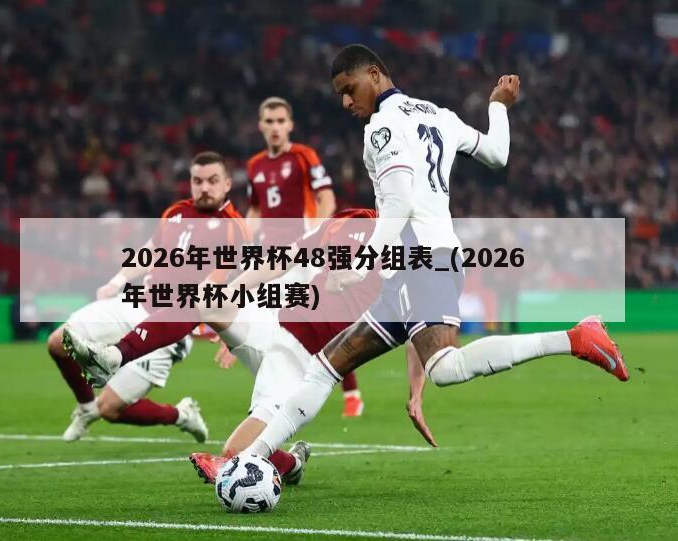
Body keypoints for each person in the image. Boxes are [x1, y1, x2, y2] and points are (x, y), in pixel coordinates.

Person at [237, 44, 630, 461]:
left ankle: (575, 338)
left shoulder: (382, 127)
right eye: (341, 95)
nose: (346, 102)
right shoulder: (439, 115)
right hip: (418, 264)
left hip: (419, 259)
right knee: (323, 367)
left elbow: (401, 201)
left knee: (444, 368)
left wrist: (361, 265)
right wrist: (498, 106)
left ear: (374, 74)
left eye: (349, 89)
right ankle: (251, 458)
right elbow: (497, 154)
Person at [63, 209, 417, 484]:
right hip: (274, 322)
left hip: (305, 361)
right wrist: (233, 291)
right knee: (204, 300)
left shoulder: (412, 250)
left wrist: (416, 392)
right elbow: (283, 258)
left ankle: (289, 464)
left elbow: (418, 327)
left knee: (234, 454)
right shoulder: (349, 219)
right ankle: (114, 356)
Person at [48, 151, 244, 442]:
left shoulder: (234, 227)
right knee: (58, 342)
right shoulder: (176, 212)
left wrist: (226, 331)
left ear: (227, 184)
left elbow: (218, 281)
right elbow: (151, 251)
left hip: (169, 327)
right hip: (135, 302)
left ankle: (181, 415)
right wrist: (117, 281)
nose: (204, 188)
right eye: (198, 181)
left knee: (110, 409)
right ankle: (86, 408)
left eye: (212, 181)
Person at [245, 96, 364, 417]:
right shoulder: (255, 165)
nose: (275, 127)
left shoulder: (303, 156)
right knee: (276, 327)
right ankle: (279, 394)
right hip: (272, 258)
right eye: (269, 121)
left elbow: (327, 199)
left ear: (290, 125)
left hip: (303, 255)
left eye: (280, 121)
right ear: (260, 125)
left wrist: (316, 236)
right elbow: (255, 210)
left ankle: (351, 393)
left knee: (325, 322)